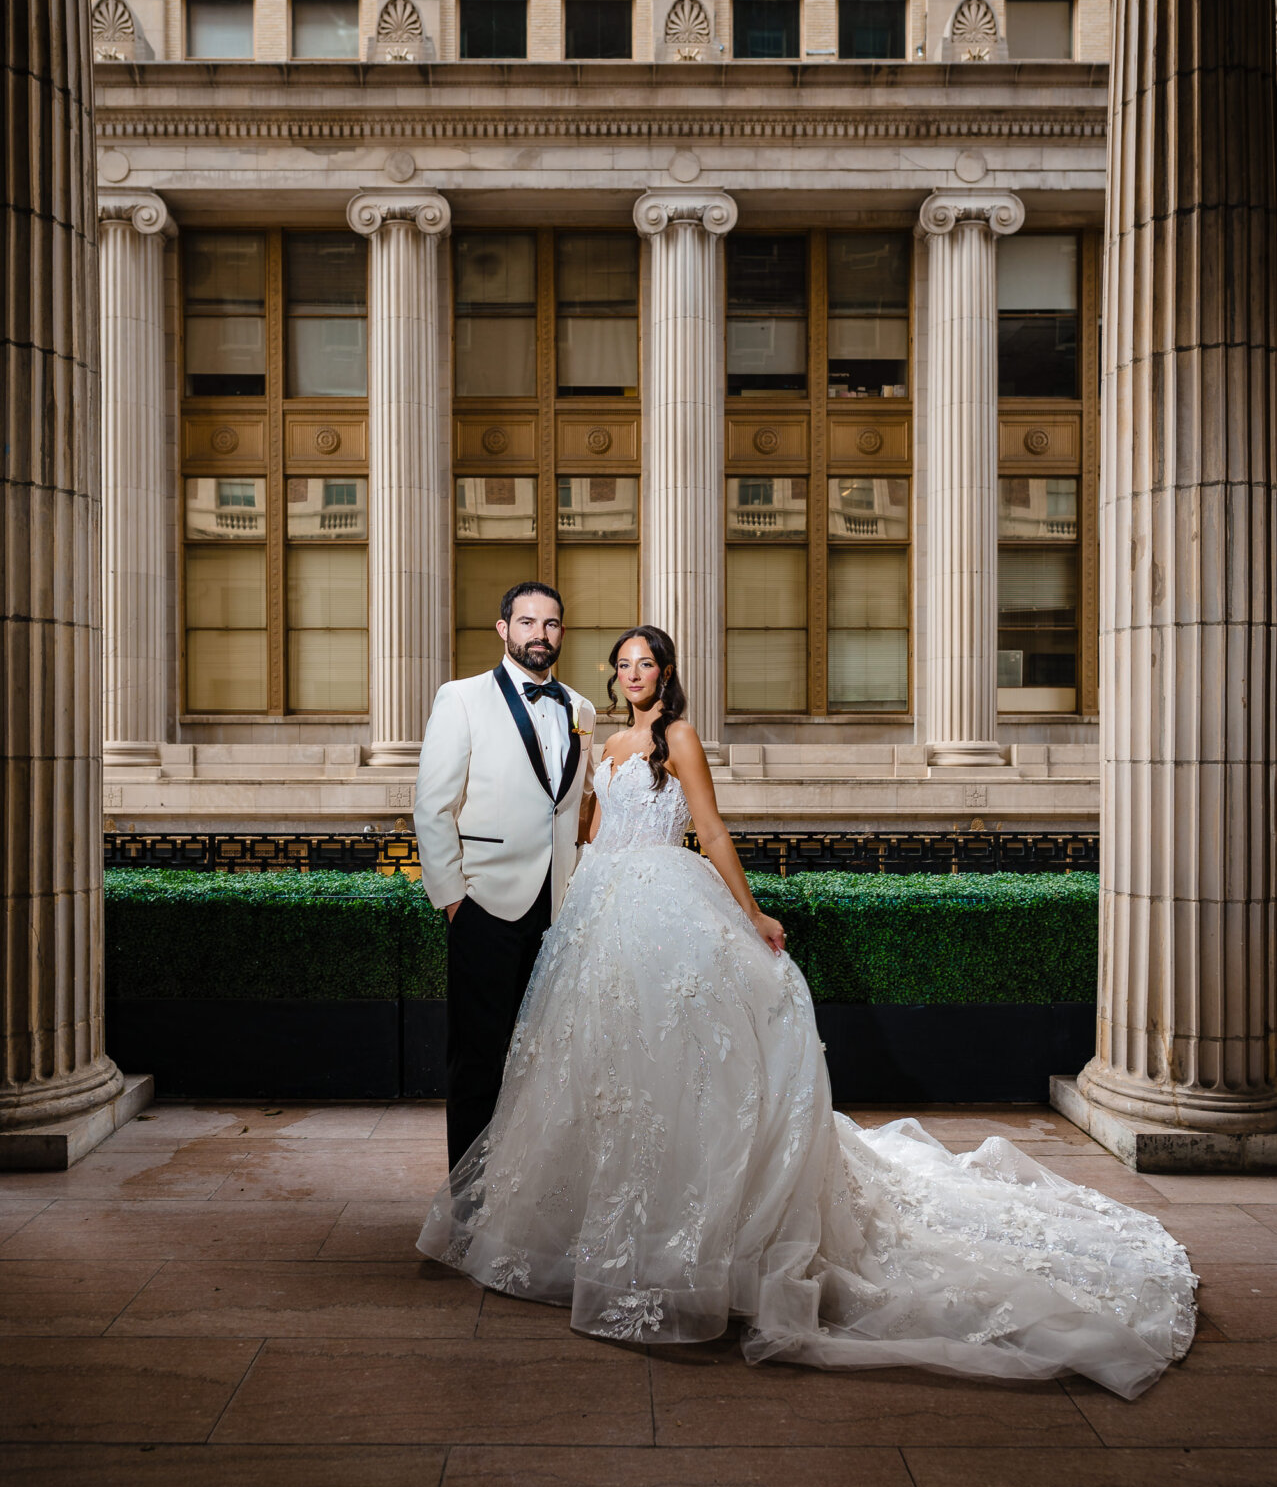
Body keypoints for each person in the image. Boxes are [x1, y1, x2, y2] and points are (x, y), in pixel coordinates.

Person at [417, 625, 1197, 1399]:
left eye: (644, 663)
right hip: (598, 908)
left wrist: (750, 913)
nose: (632, 675)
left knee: (679, 1065)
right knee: (602, 1067)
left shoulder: (679, 738)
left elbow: (711, 829)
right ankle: (604, 1224)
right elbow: (585, 831)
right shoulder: (604, 744)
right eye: (623, 665)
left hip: (661, 900)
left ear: (664, 672)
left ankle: (683, 1231)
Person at [413, 581, 595, 1167]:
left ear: (561, 633)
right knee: (477, 1058)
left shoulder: (583, 709)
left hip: (560, 908)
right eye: (527, 623)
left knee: (546, 1056)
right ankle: (470, 1204)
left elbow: (573, 806)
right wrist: (453, 902)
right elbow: (432, 806)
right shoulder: (461, 698)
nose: (539, 635)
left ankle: (530, 1191)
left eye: (550, 624)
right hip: (485, 905)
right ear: (503, 629)